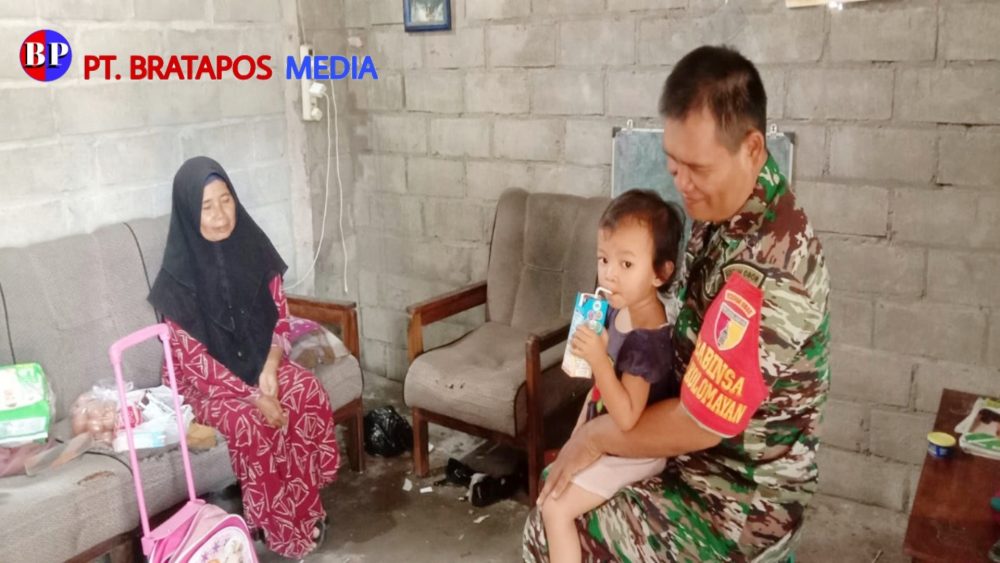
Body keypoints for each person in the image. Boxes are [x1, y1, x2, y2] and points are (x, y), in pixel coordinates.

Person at [523, 45, 831, 562]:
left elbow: (699, 422)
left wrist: (595, 437)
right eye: (673, 163)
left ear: (752, 148)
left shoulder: (768, 267)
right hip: (683, 458)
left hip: (738, 496)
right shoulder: (720, 212)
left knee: (551, 529)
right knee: (554, 499)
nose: (681, 183)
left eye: (697, 168)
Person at [148, 156, 340, 558]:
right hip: (205, 386)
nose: (220, 216)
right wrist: (254, 396)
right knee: (251, 423)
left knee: (304, 390)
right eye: (207, 207)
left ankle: (305, 507)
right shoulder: (176, 282)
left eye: (226, 200)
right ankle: (276, 526)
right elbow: (194, 363)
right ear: (189, 212)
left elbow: (281, 318)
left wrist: (271, 366)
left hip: (259, 361)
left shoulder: (255, 249)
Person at [540, 190, 684, 563]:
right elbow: (599, 393)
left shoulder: (648, 339)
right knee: (552, 482)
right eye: (604, 259)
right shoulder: (620, 310)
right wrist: (577, 435)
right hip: (609, 435)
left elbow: (627, 416)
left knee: (555, 508)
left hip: (637, 451)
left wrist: (599, 360)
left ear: (660, 273)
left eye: (626, 264)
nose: (609, 274)